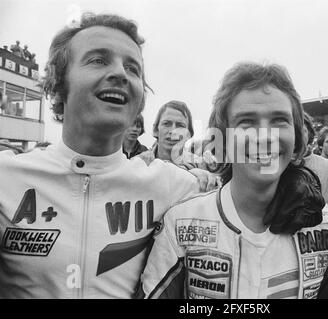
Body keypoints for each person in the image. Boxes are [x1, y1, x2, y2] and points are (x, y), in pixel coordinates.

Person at [0, 12, 201, 299]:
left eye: (133, 68)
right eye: (98, 60)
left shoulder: (176, 186)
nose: (120, 73)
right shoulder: (5, 177)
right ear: (59, 84)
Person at [136, 62, 328, 299]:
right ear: (223, 140)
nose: (264, 136)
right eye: (246, 122)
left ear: (298, 139)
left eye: (279, 120)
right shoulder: (181, 223)